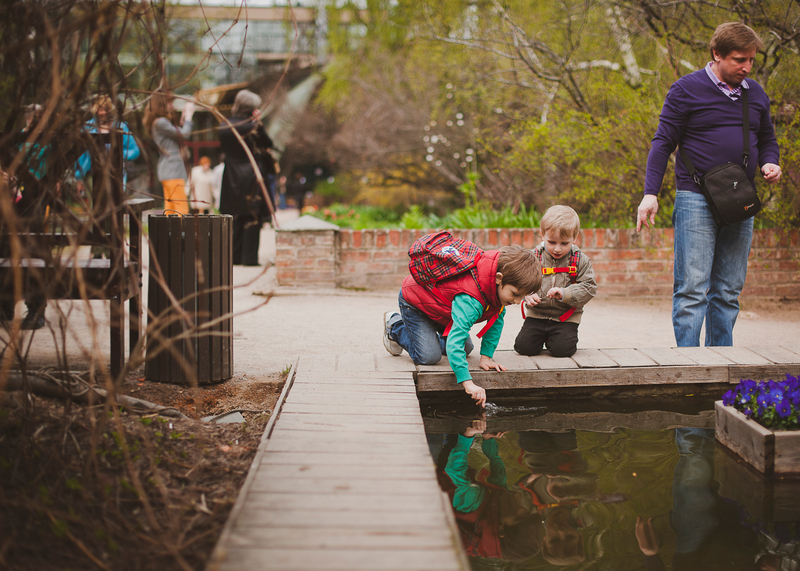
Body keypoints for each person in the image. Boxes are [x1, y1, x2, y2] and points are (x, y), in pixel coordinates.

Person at [636, 22, 781, 347]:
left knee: (728, 290)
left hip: (740, 197)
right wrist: (650, 193)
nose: (746, 67)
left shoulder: (755, 93)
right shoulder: (686, 89)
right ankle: (690, 365)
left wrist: (770, 162)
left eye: (751, 60)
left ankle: (721, 362)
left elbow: (767, 139)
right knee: (692, 289)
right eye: (739, 59)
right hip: (695, 197)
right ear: (717, 54)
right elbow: (662, 142)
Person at [383, 244, 541, 407]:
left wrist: (486, 357)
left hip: (443, 310)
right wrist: (468, 383)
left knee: (465, 349)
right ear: (498, 278)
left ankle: (426, 334)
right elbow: (455, 342)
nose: (517, 301)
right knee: (429, 356)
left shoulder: (496, 293)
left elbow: (495, 324)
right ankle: (394, 326)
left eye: (522, 296)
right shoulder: (471, 300)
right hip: (416, 303)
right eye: (515, 294)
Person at [514, 205, 596, 358]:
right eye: (551, 242)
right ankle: (544, 337)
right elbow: (520, 281)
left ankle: (556, 338)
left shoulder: (580, 260)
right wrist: (527, 294)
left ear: (575, 237)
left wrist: (566, 293)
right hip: (537, 314)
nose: (557, 249)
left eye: (564, 243)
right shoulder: (533, 257)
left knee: (562, 350)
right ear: (542, 235)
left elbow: (589, 287)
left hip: (565, 317)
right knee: (524, 347)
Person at [0, 104, 51, 329]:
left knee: (33, 248)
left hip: (36, 200)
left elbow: (54, 168)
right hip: (11, 198)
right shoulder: (14, 140)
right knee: (6, 246)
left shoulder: (50, 141)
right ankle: (5, 304)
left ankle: (36, 309)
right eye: (33, 118)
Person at [218, 90, 276, 266]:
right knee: (252, 216)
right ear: (252, 108)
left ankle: (235, 256)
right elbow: (268, 144)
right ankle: (249, 258)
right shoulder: (252, 127)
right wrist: (259, 123)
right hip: (252, 174)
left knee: (236, 216)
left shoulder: (224, 126)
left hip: (232, 176)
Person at [75, 95, 140, 194]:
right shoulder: (87, 127)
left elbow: (135, 150)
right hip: (91, 175)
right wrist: (78, 178)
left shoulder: (121, 126)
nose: (104, 113)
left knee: (115, 202)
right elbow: (80, 156)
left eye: (106, 109)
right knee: (95, 202)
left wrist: (117, 155)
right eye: (100, 109)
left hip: (115, 175)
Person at [143, 90, 195, 215]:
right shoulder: (161, 122)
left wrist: (183, 121)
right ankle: (181, 229)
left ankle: (170, 229)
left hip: (168, 170)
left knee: (170, 209)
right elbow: (184, 134)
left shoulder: (158, 122)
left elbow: (178, 135)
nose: (172, 106)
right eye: (169, 102)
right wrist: (189, 117)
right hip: (173, 170)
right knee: (181, 209)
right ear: (161, 104)